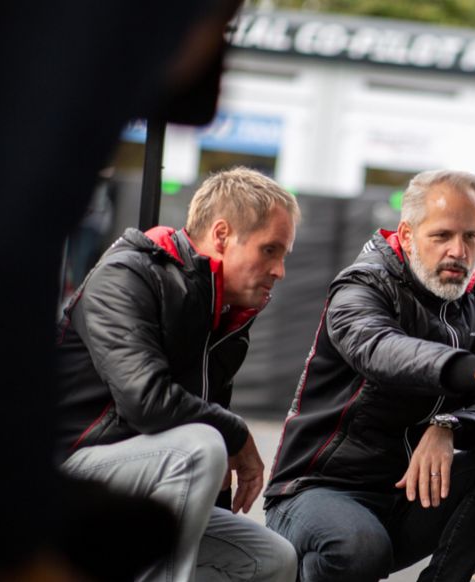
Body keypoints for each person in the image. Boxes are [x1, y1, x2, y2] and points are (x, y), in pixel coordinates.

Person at [0, 1, 244, 579]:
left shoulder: (225, 310)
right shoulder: (129, 270)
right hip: (60, 469)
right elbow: (4, 256)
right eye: (226, 25)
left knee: (262, 554)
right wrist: (25, 536)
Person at [264, 169, 475, 582]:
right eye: (442, 236)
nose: (458, 250)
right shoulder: (361, 286)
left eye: (470, 236)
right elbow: (382, 350)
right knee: (359, 548)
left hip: (408, 495)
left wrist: (450, 426)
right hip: (317, 493)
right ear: (407, 233)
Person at [54, 166, 301, 582]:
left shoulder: (225, 314)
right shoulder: (128, 275)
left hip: (141, 478)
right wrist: (234, 433)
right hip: (63, 479)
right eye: (270, 250)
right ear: (222, 235)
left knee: (270, 558)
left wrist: (224, 439)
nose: (280, 270)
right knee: (199, 445)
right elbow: (145, 402)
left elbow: (203, 446)